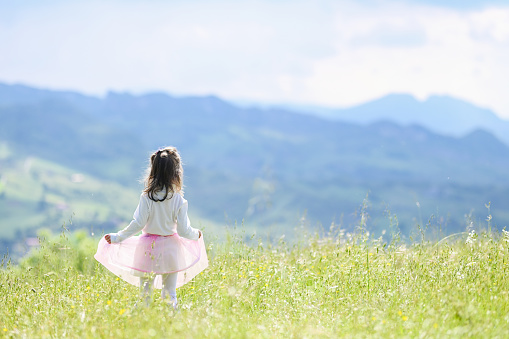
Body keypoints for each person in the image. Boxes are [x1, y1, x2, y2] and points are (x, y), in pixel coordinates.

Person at [94, 146, 208, 310]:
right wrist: (196, 234)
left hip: (147, 249)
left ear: (153, 170)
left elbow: (138, 223)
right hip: (171, 249)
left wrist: (118, 237)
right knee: (170, 293)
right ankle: (172, 322)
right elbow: (183, 230)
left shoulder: (147, 197)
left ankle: (140, 321)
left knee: (145, 294)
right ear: (176, 173)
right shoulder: (179, 201)